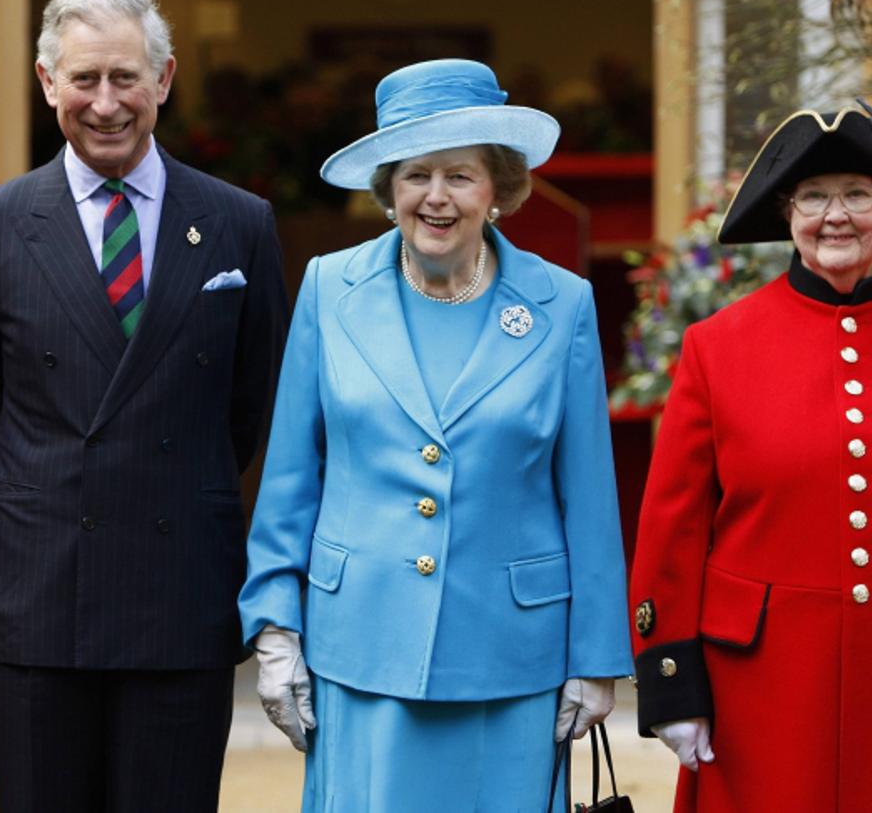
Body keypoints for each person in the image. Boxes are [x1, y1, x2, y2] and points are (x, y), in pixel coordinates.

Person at [238, 59, 633, 812]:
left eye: (461, 174)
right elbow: (291, 476)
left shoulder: (563, 303)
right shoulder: (328, 287)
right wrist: (274, 627)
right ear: (388, 191)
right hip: (360, 649)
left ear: (499, 188)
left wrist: (596, 655)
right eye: (416, 174)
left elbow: (586, 492)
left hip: (514, 659)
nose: (437, 197)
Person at [0, 0, 288, 813]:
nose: (105, 102)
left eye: (125, 77)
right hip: (37, 595)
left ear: (162, 81)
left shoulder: (240, 223)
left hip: (179, 593)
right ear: (47, 81)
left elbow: (252, 402)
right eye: (84, 78)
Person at [629, 102, 872, 811]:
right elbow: (672, 527)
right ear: (785, 212)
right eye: (814, 196)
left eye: (857, 194)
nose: (837, 215)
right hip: (757, 686)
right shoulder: (719, 344)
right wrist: (672, 679)